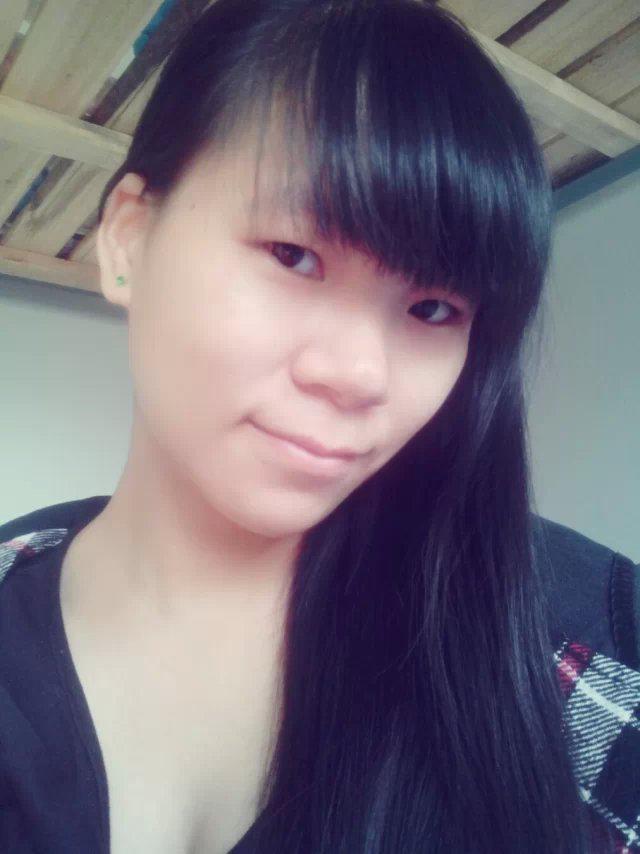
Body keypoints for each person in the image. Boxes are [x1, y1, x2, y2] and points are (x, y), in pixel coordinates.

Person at [0, 1, 638, 852]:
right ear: (128, 239)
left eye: (433, 308)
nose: (361, 374)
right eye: (295, 255)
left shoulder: (587, 648)